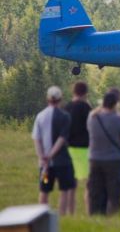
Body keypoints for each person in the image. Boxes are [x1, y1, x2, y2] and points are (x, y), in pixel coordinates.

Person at [32, 86, 76, 216]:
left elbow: (37, 139)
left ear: (47, 99)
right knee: (64, 189)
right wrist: (51, 155)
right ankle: (62, 216)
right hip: (62, 162)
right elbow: (62, 138)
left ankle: (42, 217)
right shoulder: (65, 116)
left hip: (45, 165)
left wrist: (43, 157)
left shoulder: (40, 116)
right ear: (60, 99)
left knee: (44, 189)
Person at [87, 92, 120, 215]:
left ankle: (95, 215)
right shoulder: (118, 119)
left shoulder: (92, 118)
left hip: (95, 159)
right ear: (115, 104)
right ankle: (113, 216)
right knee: (114, 192)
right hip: (113, 159)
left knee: (95, 191)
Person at [64, 81, 92, 213]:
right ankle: (89, 211)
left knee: (71, 185)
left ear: (73, 92)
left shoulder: (67, 107)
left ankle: (71, 212)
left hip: (68, 148)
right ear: (86, 93)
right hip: (84, 149)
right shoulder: (86, 108)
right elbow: (91, 126)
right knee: (89, 183)